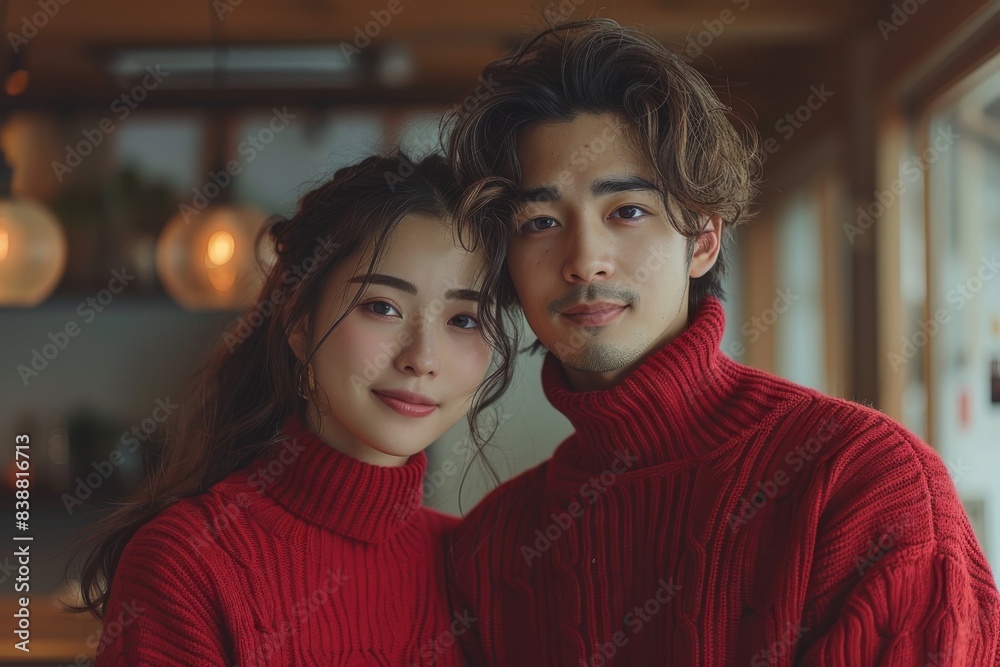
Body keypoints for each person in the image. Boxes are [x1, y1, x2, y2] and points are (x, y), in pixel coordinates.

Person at [444, 18, 1000, 666]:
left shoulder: (862, 481)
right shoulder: (492, 547)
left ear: (703, 239)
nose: (585, 259)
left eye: (626, 211)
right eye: (540, 221)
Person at [66, 152, 515, 665]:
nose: (422, 359)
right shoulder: (186, 562)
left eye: (463, 319)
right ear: (299, 322)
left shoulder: (472, 569)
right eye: (382, 307)